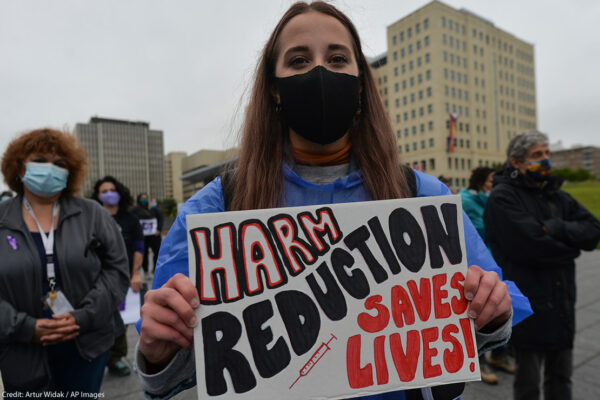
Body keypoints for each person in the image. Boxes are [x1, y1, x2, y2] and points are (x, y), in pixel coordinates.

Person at [135, 3, 531, 399]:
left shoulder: (422, 195)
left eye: (338, 58)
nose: (320, 72)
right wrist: (159, 350)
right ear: (274, 88)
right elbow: (170, 375)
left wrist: (490, 308)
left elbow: (487, 322)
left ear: (361, 83)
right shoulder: (218, 205)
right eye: (299, 60)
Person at [0, 128, 129, 394]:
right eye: (39, 160)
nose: (50, 169)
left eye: (59, 164)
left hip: (87, 344)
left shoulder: (93, 213)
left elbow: (116, 271)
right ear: (19, 167)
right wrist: (25, 327)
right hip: (19, 349)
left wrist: (83, 316)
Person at [484, 130, 600, 400]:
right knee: (528, 384)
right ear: (516, 162)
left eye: (547, 153)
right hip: (530, 305)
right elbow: (531, 246)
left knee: (561, 380)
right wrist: (571, 245)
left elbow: (593, 230)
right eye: (537, 155)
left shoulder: (557, 195)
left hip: (562, 302)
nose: (546, 159)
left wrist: (556, 227)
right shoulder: (503, 198)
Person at [92, 176, 144, 377]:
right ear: (97, 195)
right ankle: (97, 358)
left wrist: (135, 273)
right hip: (95, 278)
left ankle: (116, 357)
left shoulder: (130, 219)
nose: (108, 194)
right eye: (103, 191)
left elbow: (139, 247)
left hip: (122, 278)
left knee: (120, 320)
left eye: (111, 190)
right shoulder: (91, 218)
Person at [132, 193, 162, 275]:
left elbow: (160, 219)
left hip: (154, 235)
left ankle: (155, 269)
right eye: (142, 198)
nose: (144, 200)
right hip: (142, 236)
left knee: (157, 252)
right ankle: (145, 270)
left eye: (146, 198)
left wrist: (159, 229)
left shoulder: (153, 209)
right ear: (139, 199)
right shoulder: (135, 210)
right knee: (144, 253)